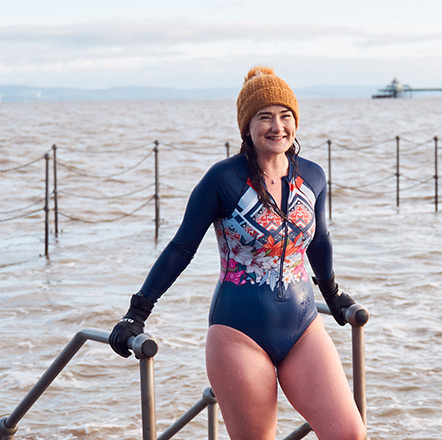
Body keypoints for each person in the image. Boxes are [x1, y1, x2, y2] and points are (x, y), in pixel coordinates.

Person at [109, 66, 367, 440]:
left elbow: (320, 239)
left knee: (349, 433)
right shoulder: (222, 180)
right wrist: (137, 313)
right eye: (265, 117)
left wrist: (333, 294)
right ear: (247, 126)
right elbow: (181, 248)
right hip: (238, 333)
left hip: (304, 328)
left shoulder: (312, 176)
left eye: (285, 116)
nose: (277, 126)